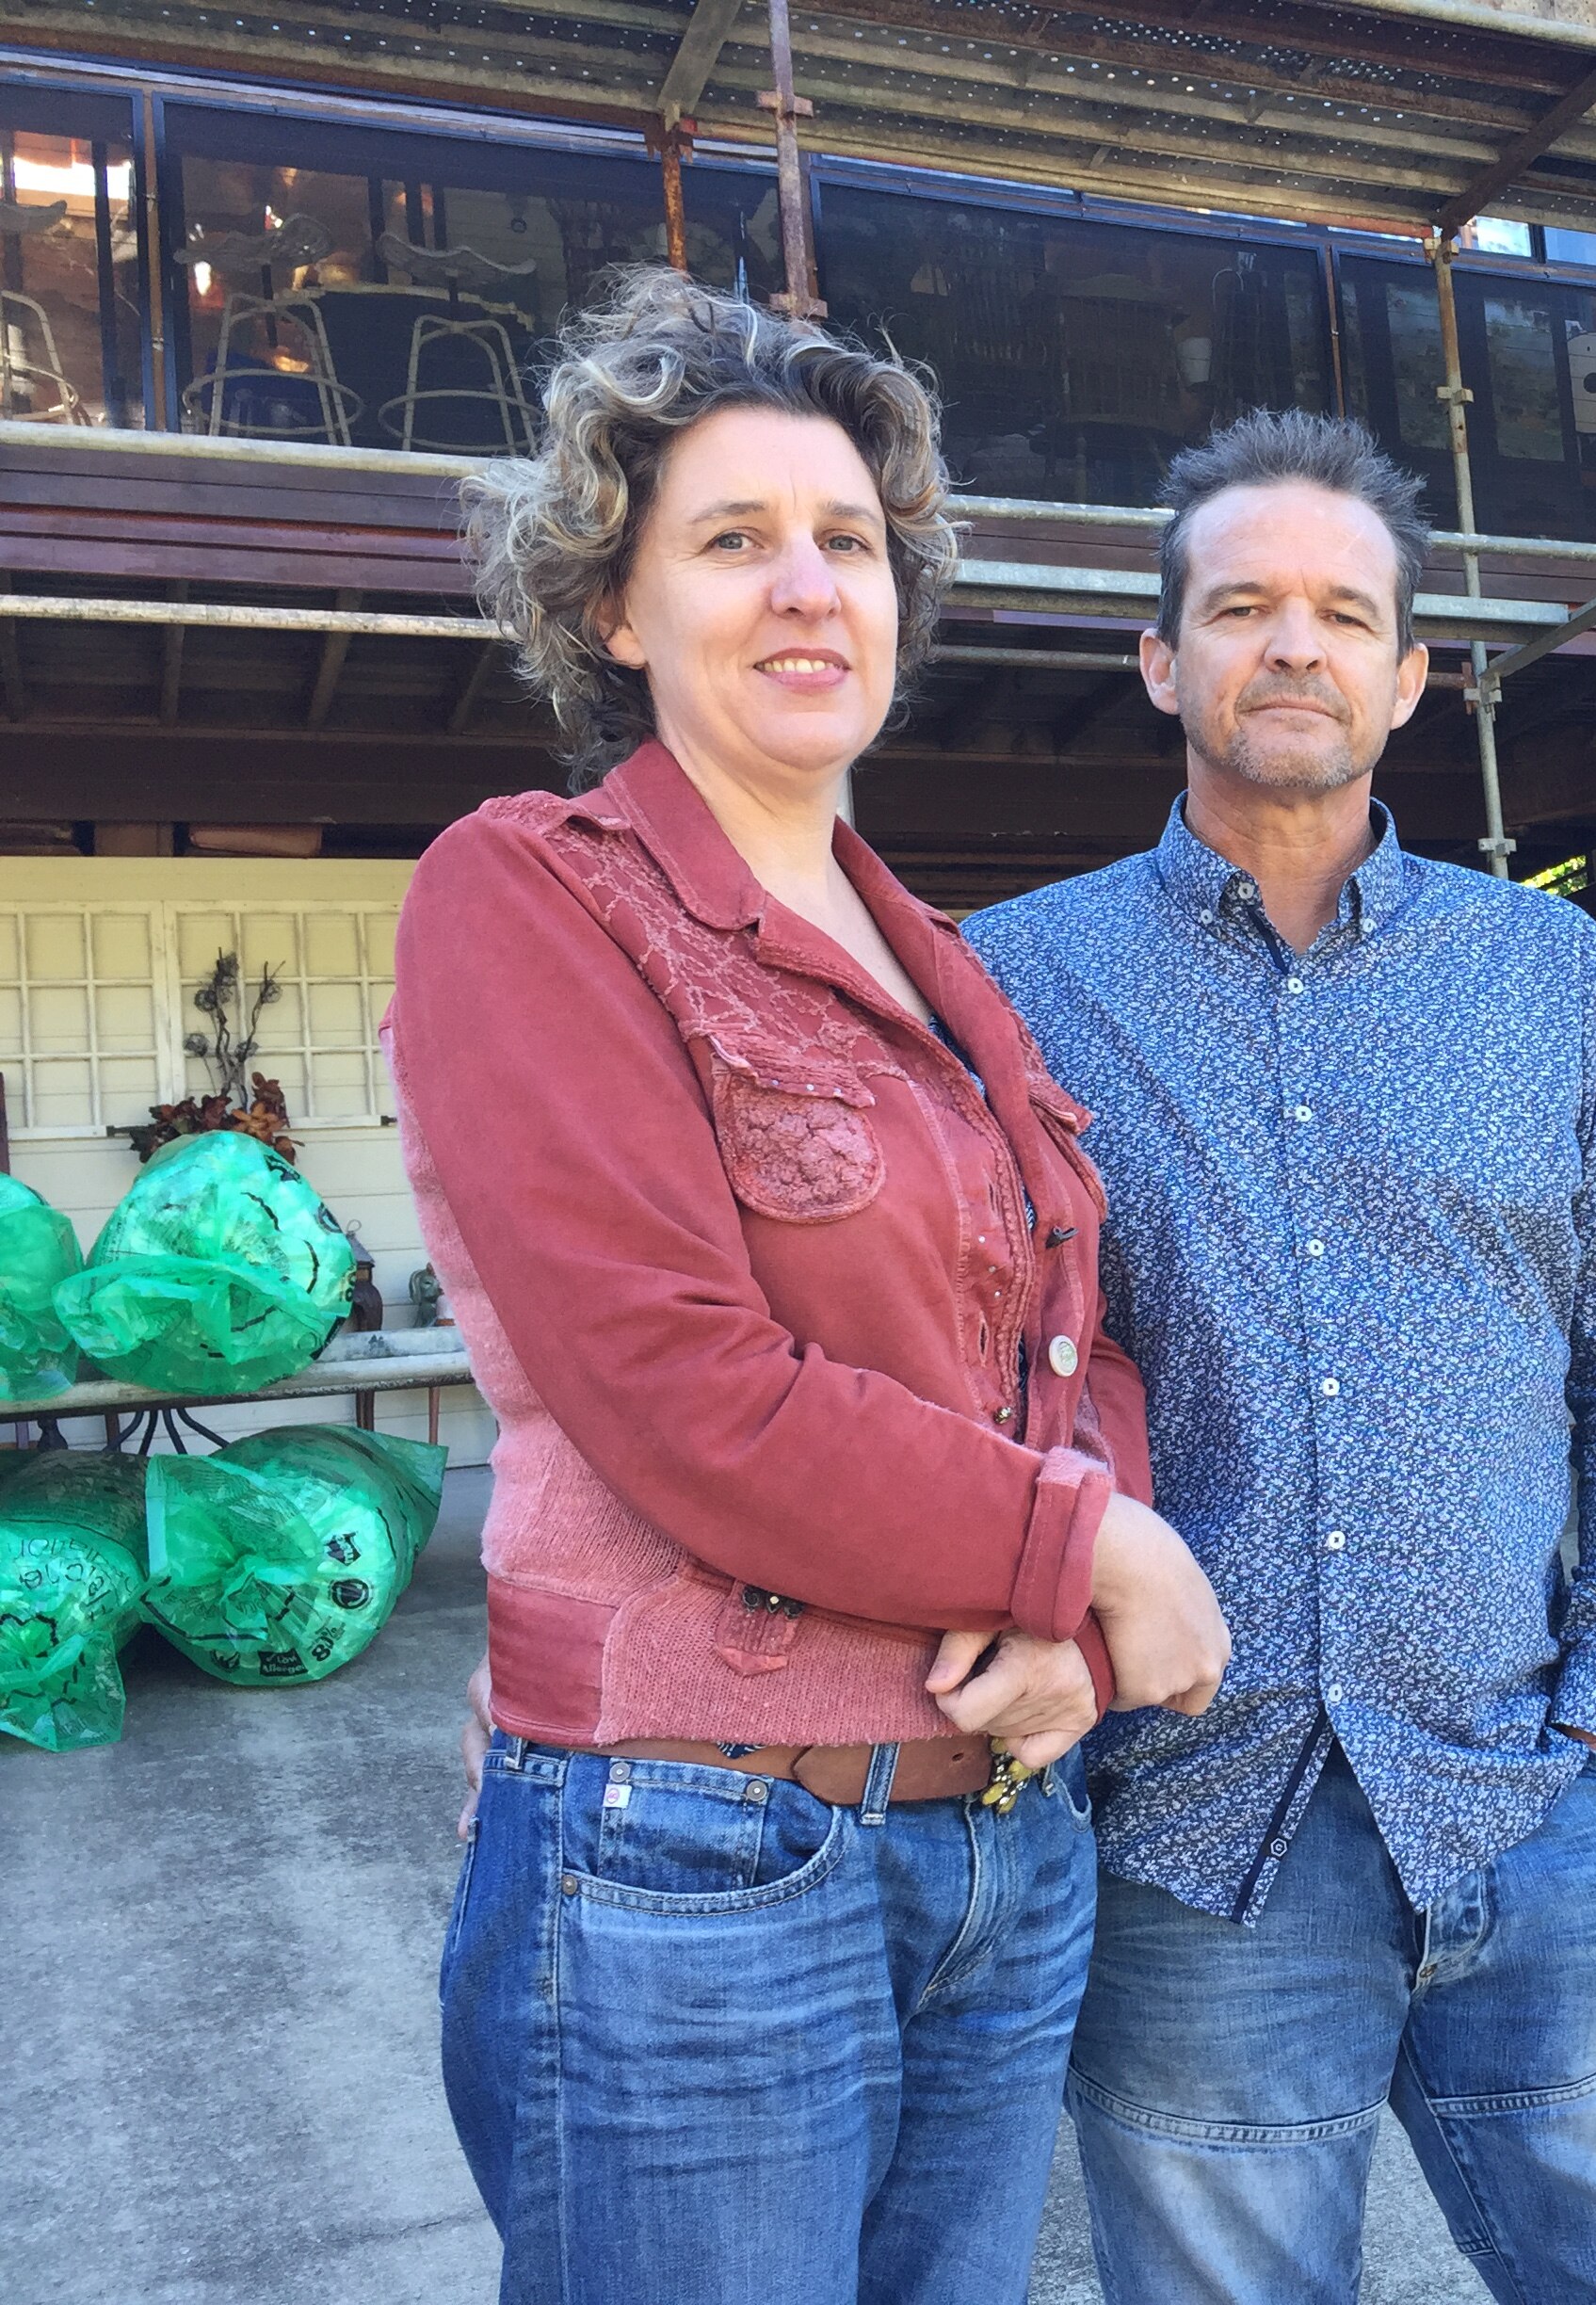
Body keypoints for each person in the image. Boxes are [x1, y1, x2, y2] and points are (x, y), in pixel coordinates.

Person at [389, 270, 1228, 2305]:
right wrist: (1093, 1552)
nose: (805, 588)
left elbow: (1075, 1334)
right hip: (693, 1855)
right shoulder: (534, 892)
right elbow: (680, 1389)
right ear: (617, 607)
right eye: (732, 541)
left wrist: (1068, 1613)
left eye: (847, 542)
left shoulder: (939, 965)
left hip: (997, 1842)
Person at [964, 410, 1596, 2303]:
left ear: (1408, 679)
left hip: (1531, 1799)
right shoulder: (1011, 985)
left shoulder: (1546, 977)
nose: (1294, 646)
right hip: (1190, 1839)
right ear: (1161, 661)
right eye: (1242, 606)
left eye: (1344, 613)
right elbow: (964, 1381)